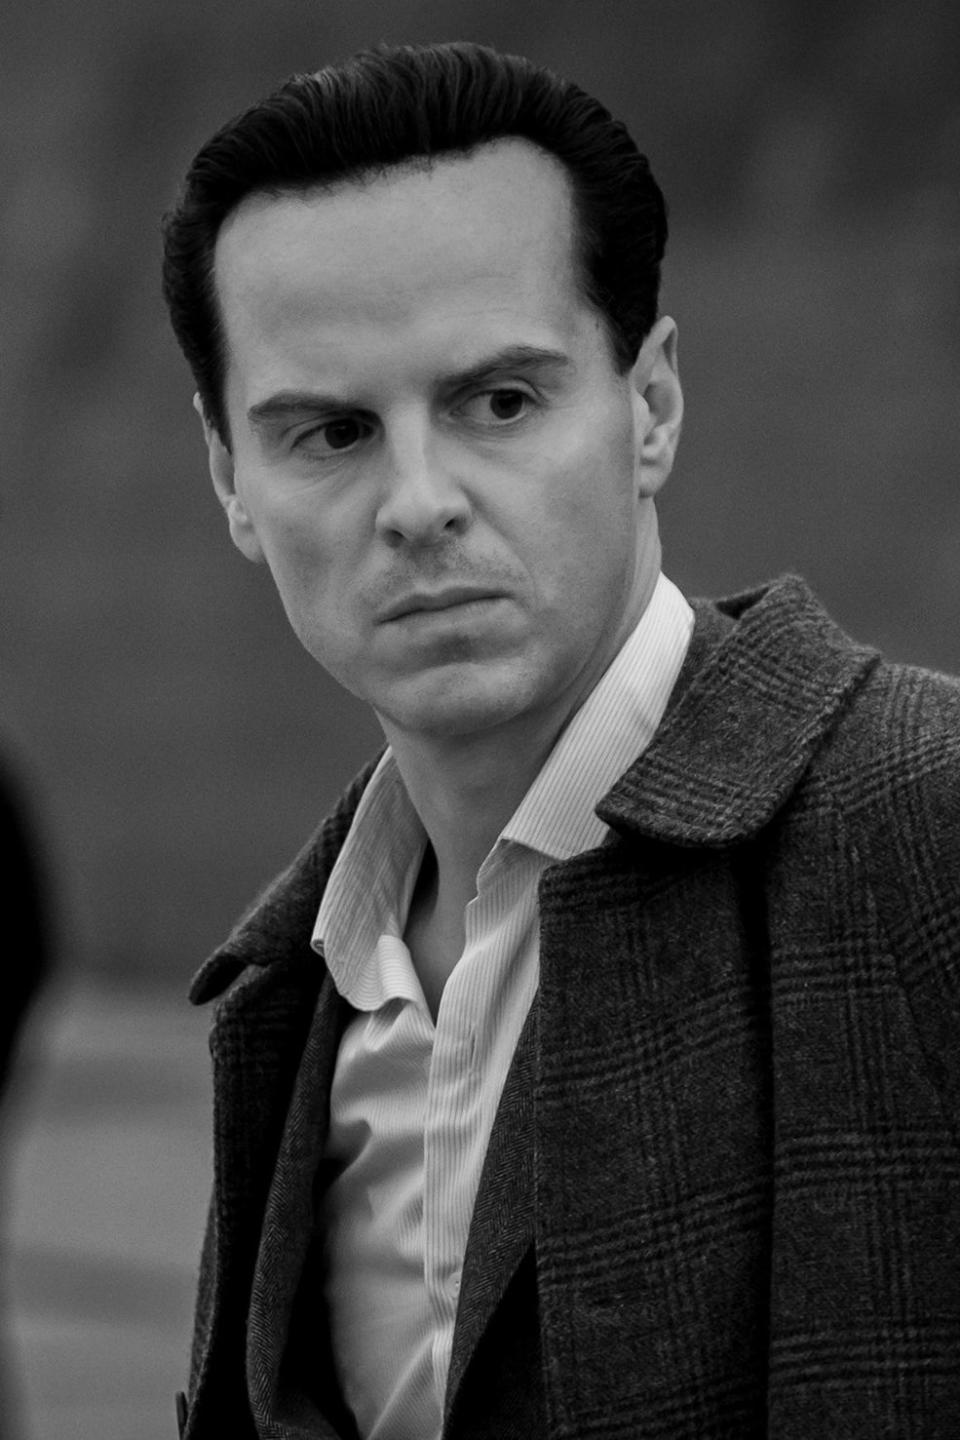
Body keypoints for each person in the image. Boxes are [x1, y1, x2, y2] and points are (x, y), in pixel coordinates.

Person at [161, 41, 960, 1440]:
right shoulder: (293, 982)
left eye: (501, 402)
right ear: (232, 478)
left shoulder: (923, 816)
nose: (418, 502)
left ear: (648, 406)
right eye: (332, 432)